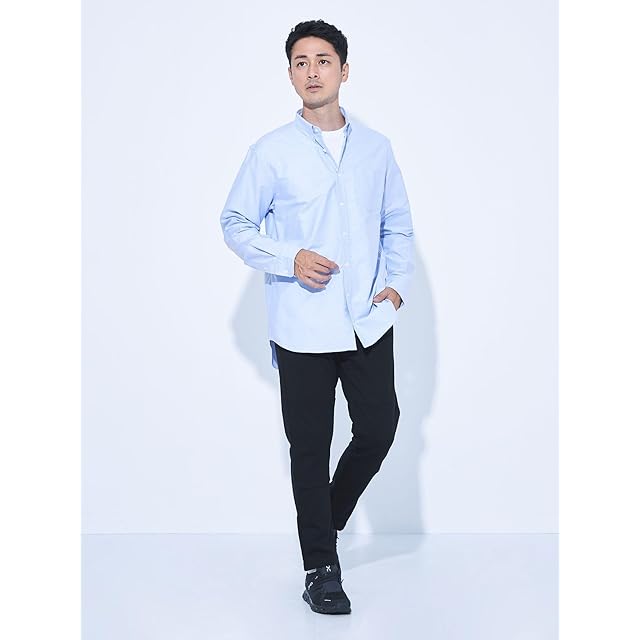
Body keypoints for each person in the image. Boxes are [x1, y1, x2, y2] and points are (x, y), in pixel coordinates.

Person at [219, 19, 415, 615]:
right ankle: (321, 569)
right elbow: (235, 222)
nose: (312, 71)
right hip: (302, 325)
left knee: (379, 428)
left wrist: (395, 289)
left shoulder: (377, 149)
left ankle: (322, 523)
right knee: (309, 446)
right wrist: (290, 257)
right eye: (300, 62)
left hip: (366, 320)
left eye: (323, 60)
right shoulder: (271, 151)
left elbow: (397, 225)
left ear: (344, 71)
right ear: (290, 75)